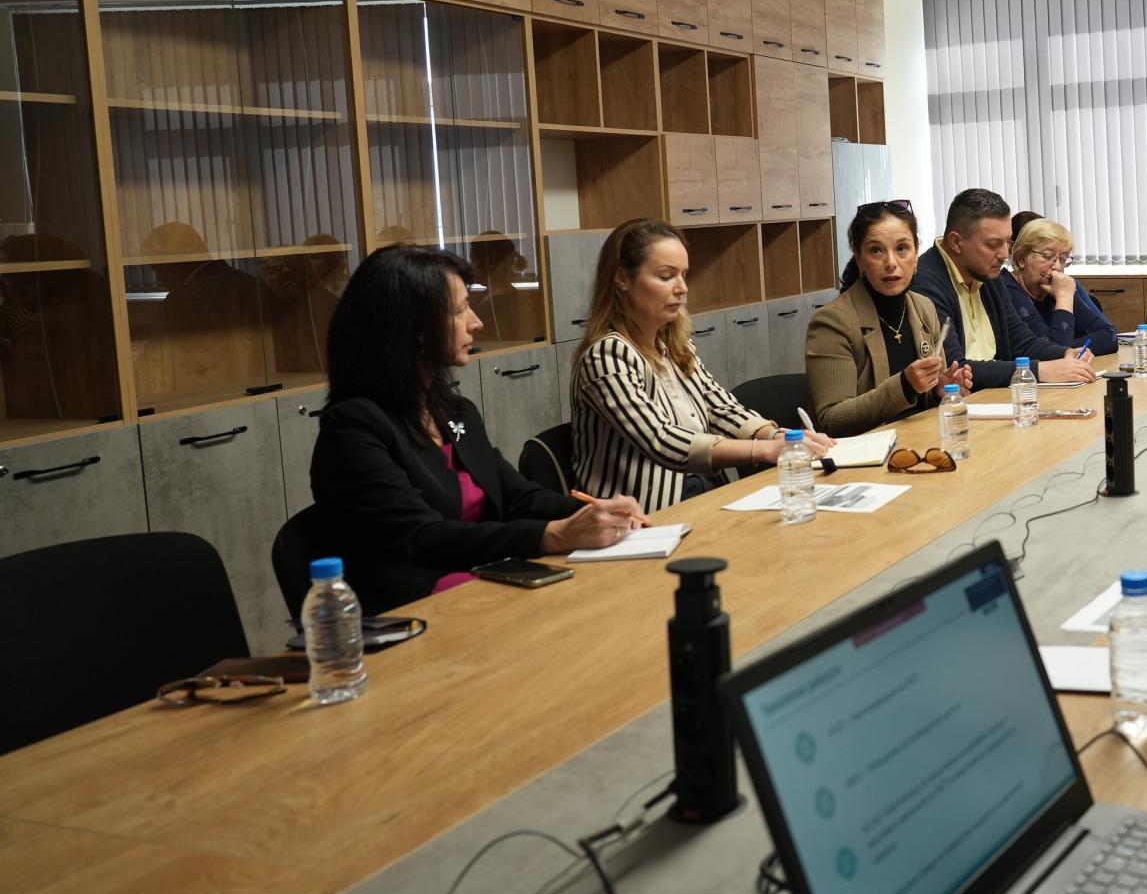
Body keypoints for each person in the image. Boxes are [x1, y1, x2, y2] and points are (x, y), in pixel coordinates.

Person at [310, 244, 642, 612]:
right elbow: (422, 537)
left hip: (487, 580)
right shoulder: (353, 430)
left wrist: (597, 514)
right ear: (411, 328)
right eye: (459, 310)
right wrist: (554, 535)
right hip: (415, 609)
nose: (476, 322)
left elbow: (516, 496)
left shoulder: (456, 412)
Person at [573, 219, 831, 509]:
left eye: (683, 275)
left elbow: (721, 409)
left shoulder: (675, 345)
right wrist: (765, 449)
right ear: (622, 278)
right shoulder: (607, 355)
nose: (682, 288)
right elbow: (661, 440)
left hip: (699, 494)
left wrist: (781, 436)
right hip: (644, 514)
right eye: (666, 276)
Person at [807, 200, 973, 436]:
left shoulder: (924, 307)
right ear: (859, 258)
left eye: (902, 248)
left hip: (922, 439)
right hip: (868, 452)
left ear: (916, 254)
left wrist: (940, 391)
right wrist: (904, 385)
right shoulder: (833, 321)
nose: (891, 263)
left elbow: (922, 402)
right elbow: (832, 420)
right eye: (876, 250)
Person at [911, 188, 1097, 390]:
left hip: (997, 396)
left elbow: (1021, 341)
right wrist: (1041, 370)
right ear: (956, 242)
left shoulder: (988, 274)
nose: (1004, 254)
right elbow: (955, 369)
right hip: (961, 402)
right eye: (993, 244)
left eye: (1007, 242)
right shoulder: (925, 284)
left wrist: (1064, 354)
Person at [1001, 218, 1118, 356]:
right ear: (1021, 258)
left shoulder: (1056, 286)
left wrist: (1065, 349)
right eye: (1047, 256)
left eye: (1063, 259)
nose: (1057, 267)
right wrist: (1064, 299)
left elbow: (1110, 337)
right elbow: (1052, 355)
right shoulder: (1005, 288)